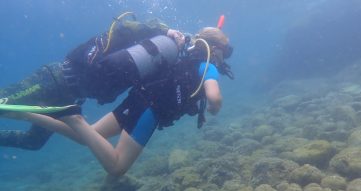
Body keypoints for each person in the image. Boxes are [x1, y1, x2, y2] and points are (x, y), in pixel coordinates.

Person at [3, 26, 234, 176]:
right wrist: (215, 107)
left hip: (139, 99)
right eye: (226, 51)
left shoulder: (182, 58)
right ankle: (75, 118)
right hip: (150, 112)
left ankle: (28, 114)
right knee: (116, 166)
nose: (226, 57)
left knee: (87, 137)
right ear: (215, 49)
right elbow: (213, 96)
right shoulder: (208, 66)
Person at [0, 12, 185, 150]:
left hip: (68, 99)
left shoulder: (143, 61)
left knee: (34, 142)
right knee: (4, 102)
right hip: (55, 78)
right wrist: (164, 30)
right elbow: (131, 25)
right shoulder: (131, 35)